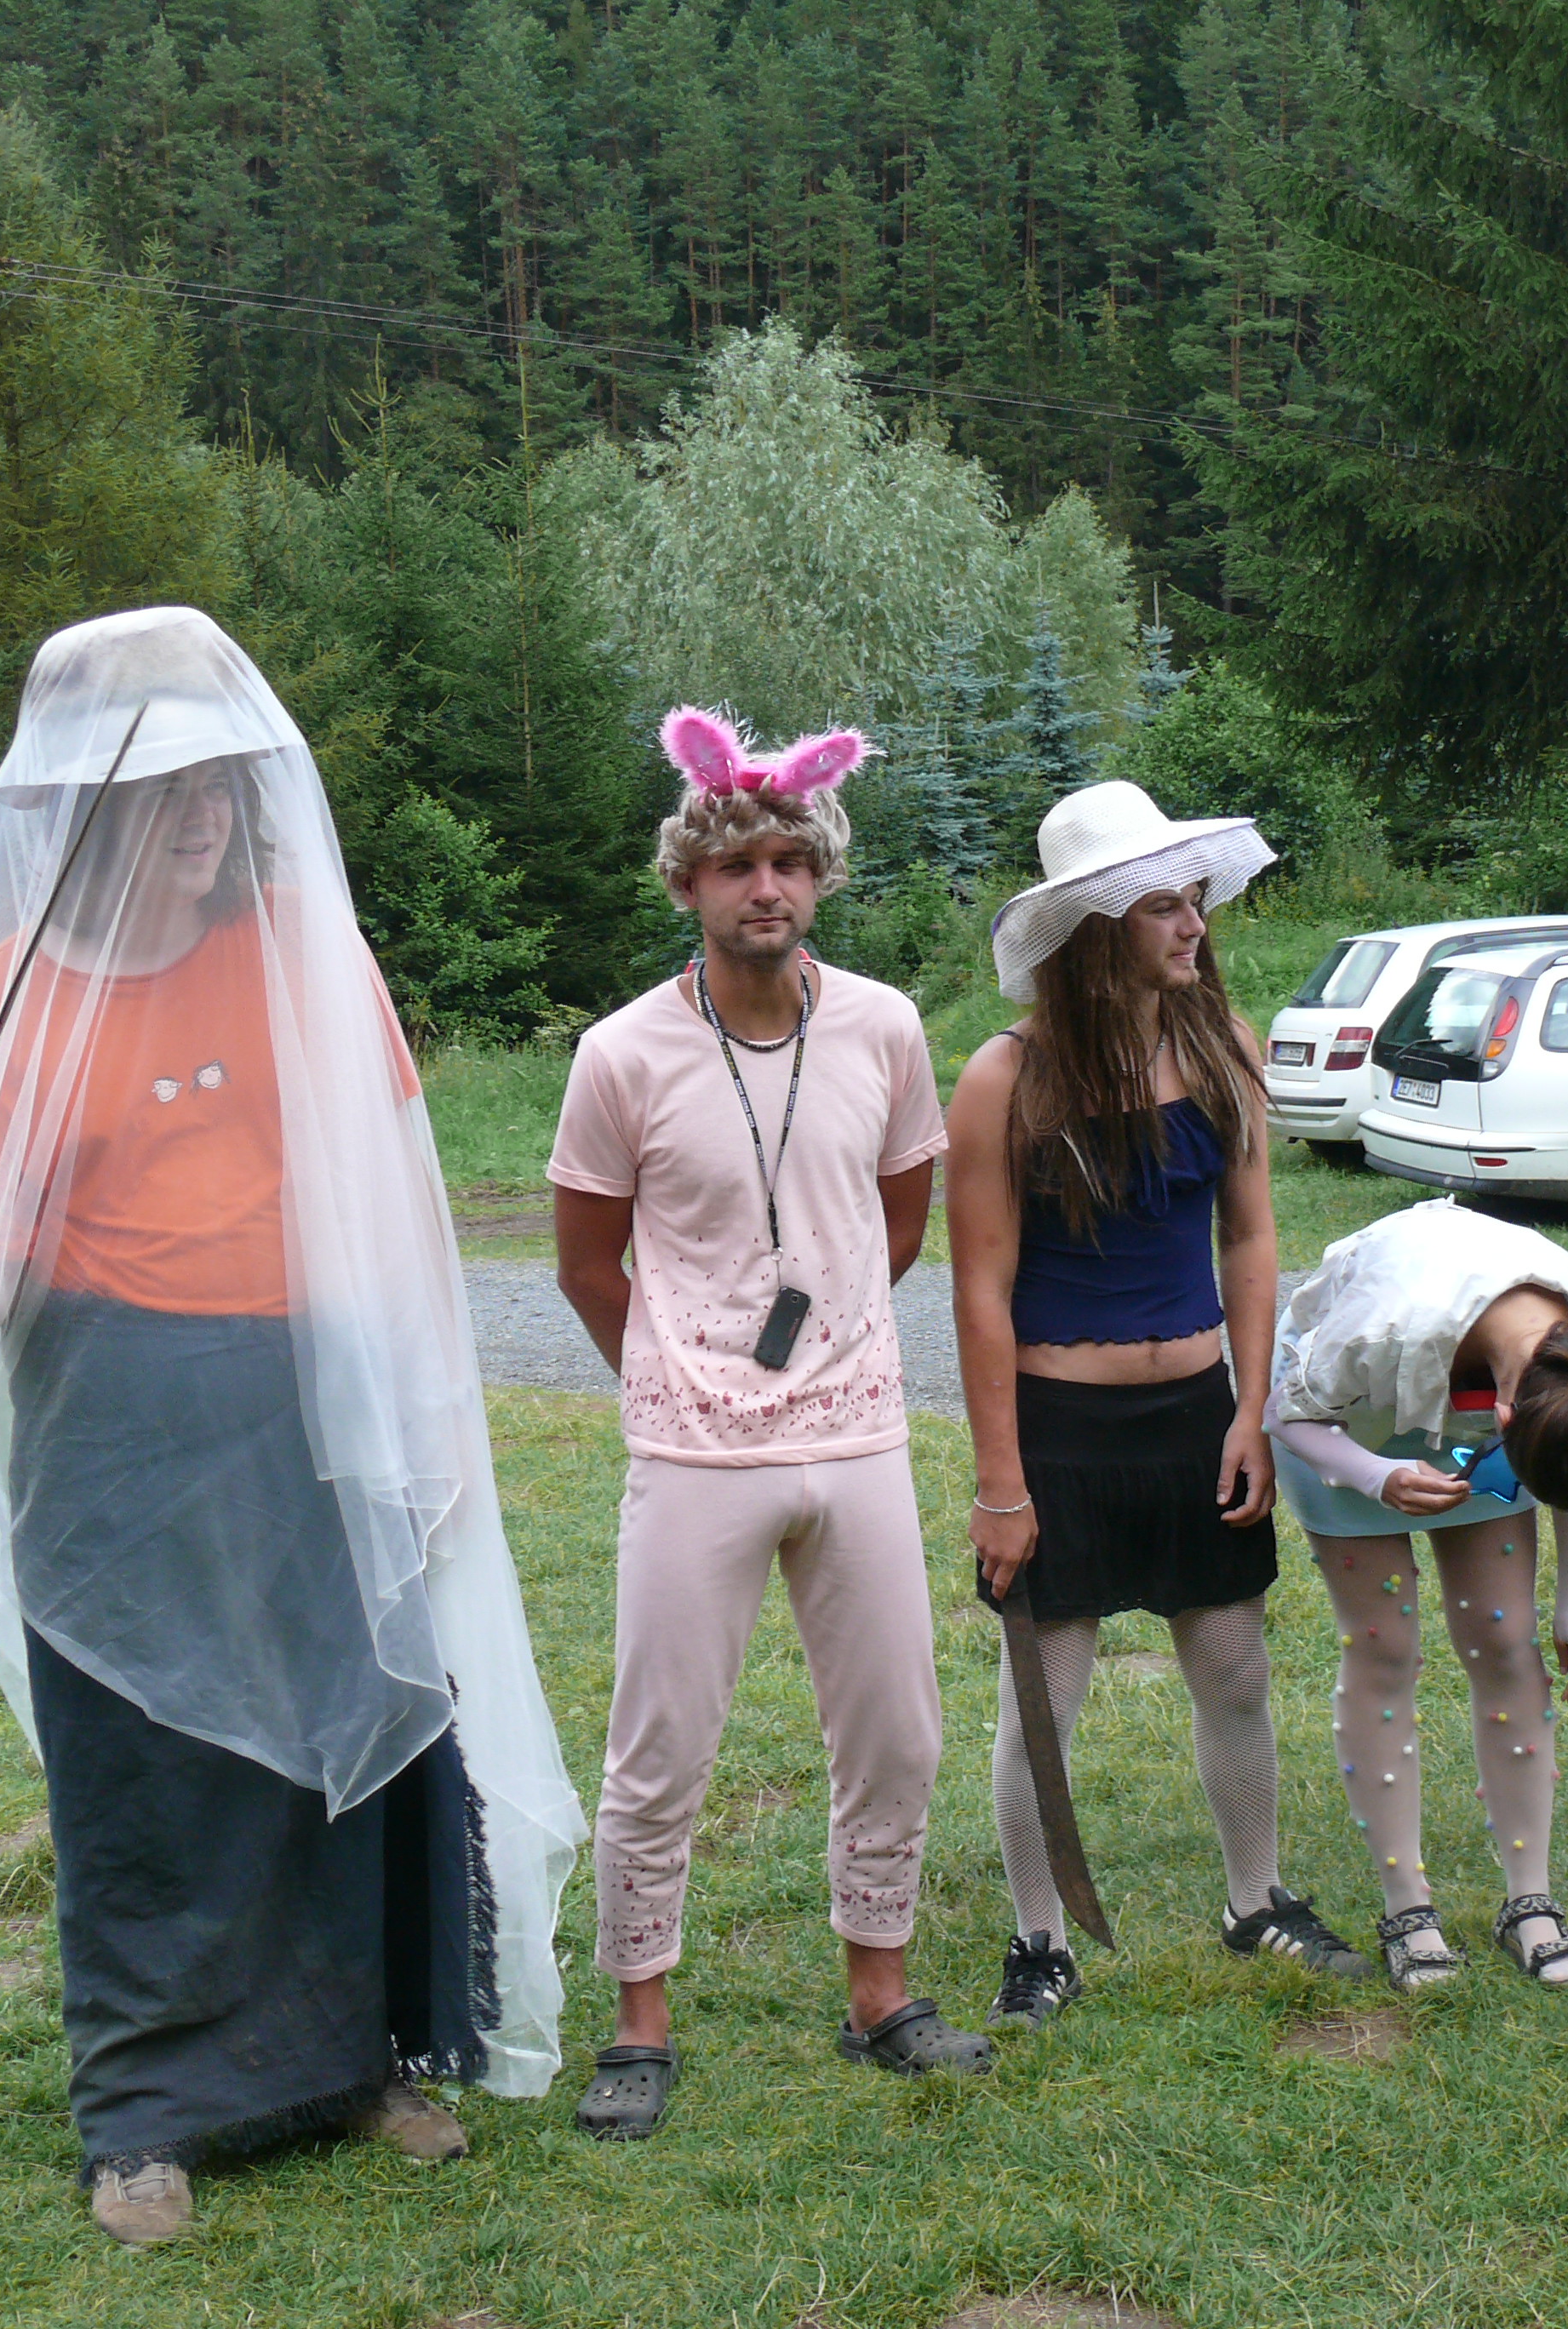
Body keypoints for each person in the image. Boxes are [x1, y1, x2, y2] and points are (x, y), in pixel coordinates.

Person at [0, 606, 582, 2246]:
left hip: (306, 1407)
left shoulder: (307, 956)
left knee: (344, 1728)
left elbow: (389, 1218)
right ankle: (143, 2114)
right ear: (83, 811)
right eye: (161, 791)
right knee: (140, 1766)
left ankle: (365, 2061)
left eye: (216, 782)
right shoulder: (8, 997)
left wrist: (423, 1430)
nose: (201, 814)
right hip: (108, 1427)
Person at [549, 707, 987, 2139]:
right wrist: (677, 1373)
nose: (766, 888)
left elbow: (898, 1219)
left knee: (897, 1730)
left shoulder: (884, 1027)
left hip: (856, 1433)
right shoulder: (620, 1054)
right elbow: (586, 1262)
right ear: (687, 881)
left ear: (821, 878)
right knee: (660, 1743)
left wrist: (828, 1339)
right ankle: (638, 2020)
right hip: (693, 1452)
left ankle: (880, 1993)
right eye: (736, 865)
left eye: (790, 862)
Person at [950, 779, 1373, 2033]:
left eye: (1195, 900)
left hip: (1197, 1413)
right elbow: (979, 1292)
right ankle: (1039, 1941)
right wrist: (1000, 1482)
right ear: (1094, 930)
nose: (1193, 924)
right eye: (1163, 907)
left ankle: (1257, 1901)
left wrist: (1251, 1411)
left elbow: (1251, 1237)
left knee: (1235, 1668)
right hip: (1059, 1430)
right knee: (1046, 1700)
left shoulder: (1221, 1043)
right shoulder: (1006, 1077)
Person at [1265, 1198, 1568, 1989]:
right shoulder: (1379, 1329)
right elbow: (1288, 1414)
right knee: (1384, 1649)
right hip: (1343, 1425)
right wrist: (1379, 1476)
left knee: (1506, 1641)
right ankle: (1409, 1910)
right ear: (1504, 1418)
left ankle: (1530, 1901)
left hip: (1483, 1424)